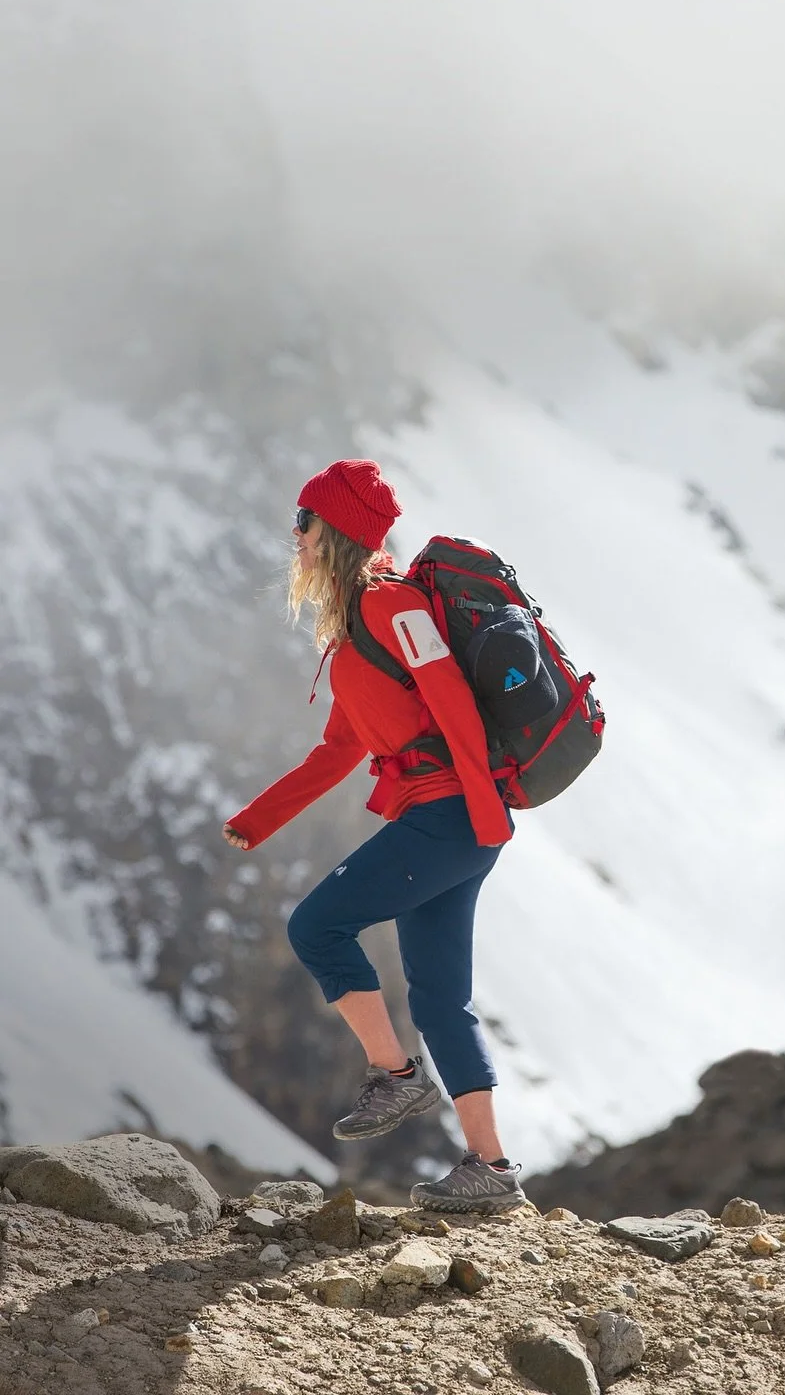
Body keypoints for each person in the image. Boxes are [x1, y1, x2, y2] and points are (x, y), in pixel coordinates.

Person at [222, 458, 525, 1215]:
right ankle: (493, 1170)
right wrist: (256, 820)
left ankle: (396, 1078)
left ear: (338, 532)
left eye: (305, 522)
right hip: (442, 819)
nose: (295, 535)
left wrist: (484, 811)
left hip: (453, 815)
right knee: (441, 1000)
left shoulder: (392, 606)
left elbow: (452, 697)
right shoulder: (355, 632)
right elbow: (338, 751)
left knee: (318, 926)